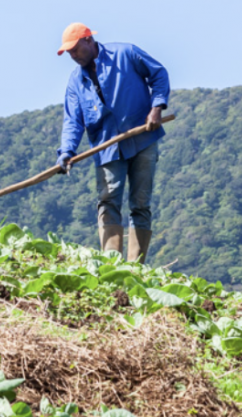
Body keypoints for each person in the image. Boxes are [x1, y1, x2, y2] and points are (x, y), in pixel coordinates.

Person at [54, 23, 170, 263]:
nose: (73, 56)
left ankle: (135, 266)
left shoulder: (125, 54)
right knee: (108, 201)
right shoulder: (76, 82)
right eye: (69, 53)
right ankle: (111, 265)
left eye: (75, 50)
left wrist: (157, 107)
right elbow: (73, 121)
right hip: (107, 148)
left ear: (88, 40)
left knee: (140, 203)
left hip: (143, 138)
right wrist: (66, 152)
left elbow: (159, 74)